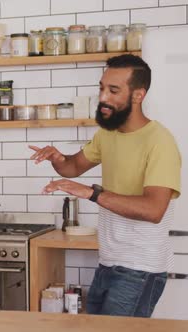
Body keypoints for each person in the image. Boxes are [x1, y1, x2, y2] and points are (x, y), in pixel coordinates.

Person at [29, 54, 181, 317]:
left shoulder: (160, 142)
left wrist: (92, 193)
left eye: (113, 90)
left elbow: (153, 209)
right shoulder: (107, 135)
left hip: (140, 267)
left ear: (138, 95)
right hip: (109, 261)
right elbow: (73, 167)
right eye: (102, 88)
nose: (103, 97)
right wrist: (57, 158)